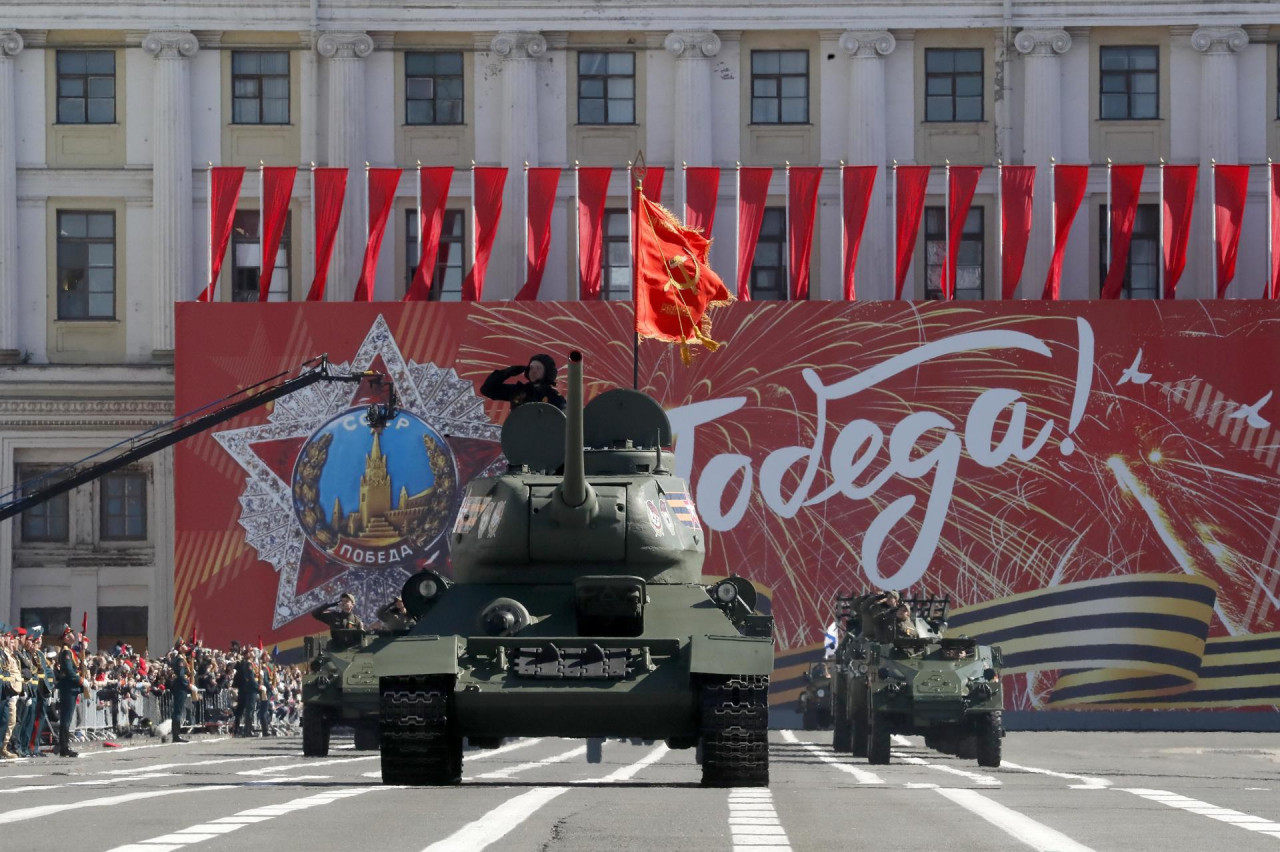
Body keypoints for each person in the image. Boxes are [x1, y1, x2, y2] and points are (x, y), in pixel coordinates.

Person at [480, 354, 567, 410]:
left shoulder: (555, 398)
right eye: (532, 368)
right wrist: (507, 372)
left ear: (548, 372)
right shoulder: (518, 391)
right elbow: (487, 389)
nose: (534, 371)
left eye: (538, 368)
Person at [54, 629, 84, 757]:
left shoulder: (70, 651)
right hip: (68, 687)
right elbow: (68, 670)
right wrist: (80, 680)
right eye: (71, 633)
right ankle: (64, 747)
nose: (74, 635)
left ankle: (65, 746)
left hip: (71, 687)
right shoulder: (66, 652)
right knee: (66, 719)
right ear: (66, 637)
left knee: (68, 718)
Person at [168, 645, 194, 743]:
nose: (186, 647)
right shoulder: (180, 660)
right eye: (184, 645)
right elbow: (181, 675)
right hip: (180, 687)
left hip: (178, 687)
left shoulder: (180, 658)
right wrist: (188, 685)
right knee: (178, 711)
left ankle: (176, 735)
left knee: (178, 711)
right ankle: (176, 735)